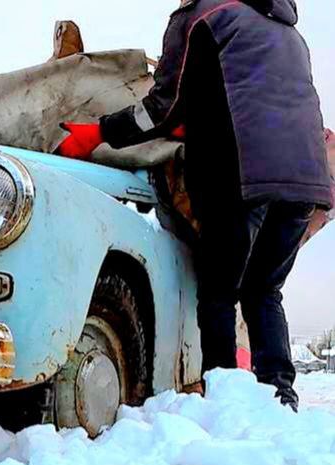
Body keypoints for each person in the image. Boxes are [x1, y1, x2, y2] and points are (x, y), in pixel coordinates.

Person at [56, 0, 332, 410]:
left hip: (242, 174)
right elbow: (252, 97)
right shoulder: (288, 31)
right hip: (306, 181)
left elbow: (161, 108)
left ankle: (223, 398)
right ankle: (280, 396)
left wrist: (98, 133)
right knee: (264, 289)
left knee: (219, 292)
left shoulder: (203, 13)